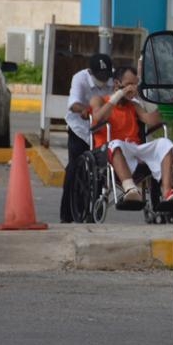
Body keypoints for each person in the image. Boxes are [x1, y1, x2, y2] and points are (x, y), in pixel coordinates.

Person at [89, 66, 173, 203]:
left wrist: (152, 99)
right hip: (108, 149)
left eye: (135, 84)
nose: (133, 88)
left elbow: (151, 120)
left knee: (165, 144)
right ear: (117, 83)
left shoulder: (134, 105)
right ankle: (130, 188)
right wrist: (119, 94)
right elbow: (98, 118)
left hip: (134, 149)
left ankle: (167, 190)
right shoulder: (99, 100)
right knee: (116, 144)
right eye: (129, 84)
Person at [60, 53, 114, 222]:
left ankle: (95, 210)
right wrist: (84, 109)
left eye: (106, 76)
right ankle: (67, 214)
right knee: (74, 167)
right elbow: (73, 103)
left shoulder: (113, 80)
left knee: (99, 168)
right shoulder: (80, 79)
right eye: (100, 77)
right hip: (80, 129)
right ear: (91, 72)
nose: (104, 80)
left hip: (102, 129)